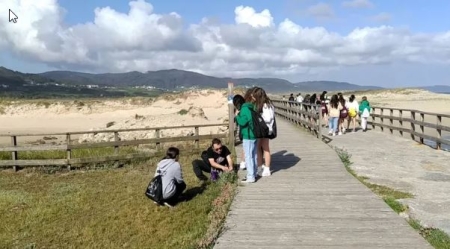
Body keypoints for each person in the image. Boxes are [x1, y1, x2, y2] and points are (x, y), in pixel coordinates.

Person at [235, 88, 258, 183]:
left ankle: (250, 176)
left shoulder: (244, 109)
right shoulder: (251, 107)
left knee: (248, 156)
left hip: (248, 135)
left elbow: (243, 122)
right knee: (254, 155)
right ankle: (254, 173)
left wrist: (237, 115)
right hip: (255, 134)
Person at [252, 87, 275, 177]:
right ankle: (263, 167)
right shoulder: (269, 104)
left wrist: (259, 119)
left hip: (264, 129)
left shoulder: (265, 105)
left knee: (262, 147)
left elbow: (268, 118)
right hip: (267, 128)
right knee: (263, 147)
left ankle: (264, 167)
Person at [233, 94, 247, 170]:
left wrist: (236, 116)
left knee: (245, 147)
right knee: (246, 147)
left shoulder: (241, 109)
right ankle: (243, 162)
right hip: (246, 132)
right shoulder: (244, 108)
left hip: (243, 132)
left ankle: (243, 162)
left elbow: (241, 122)